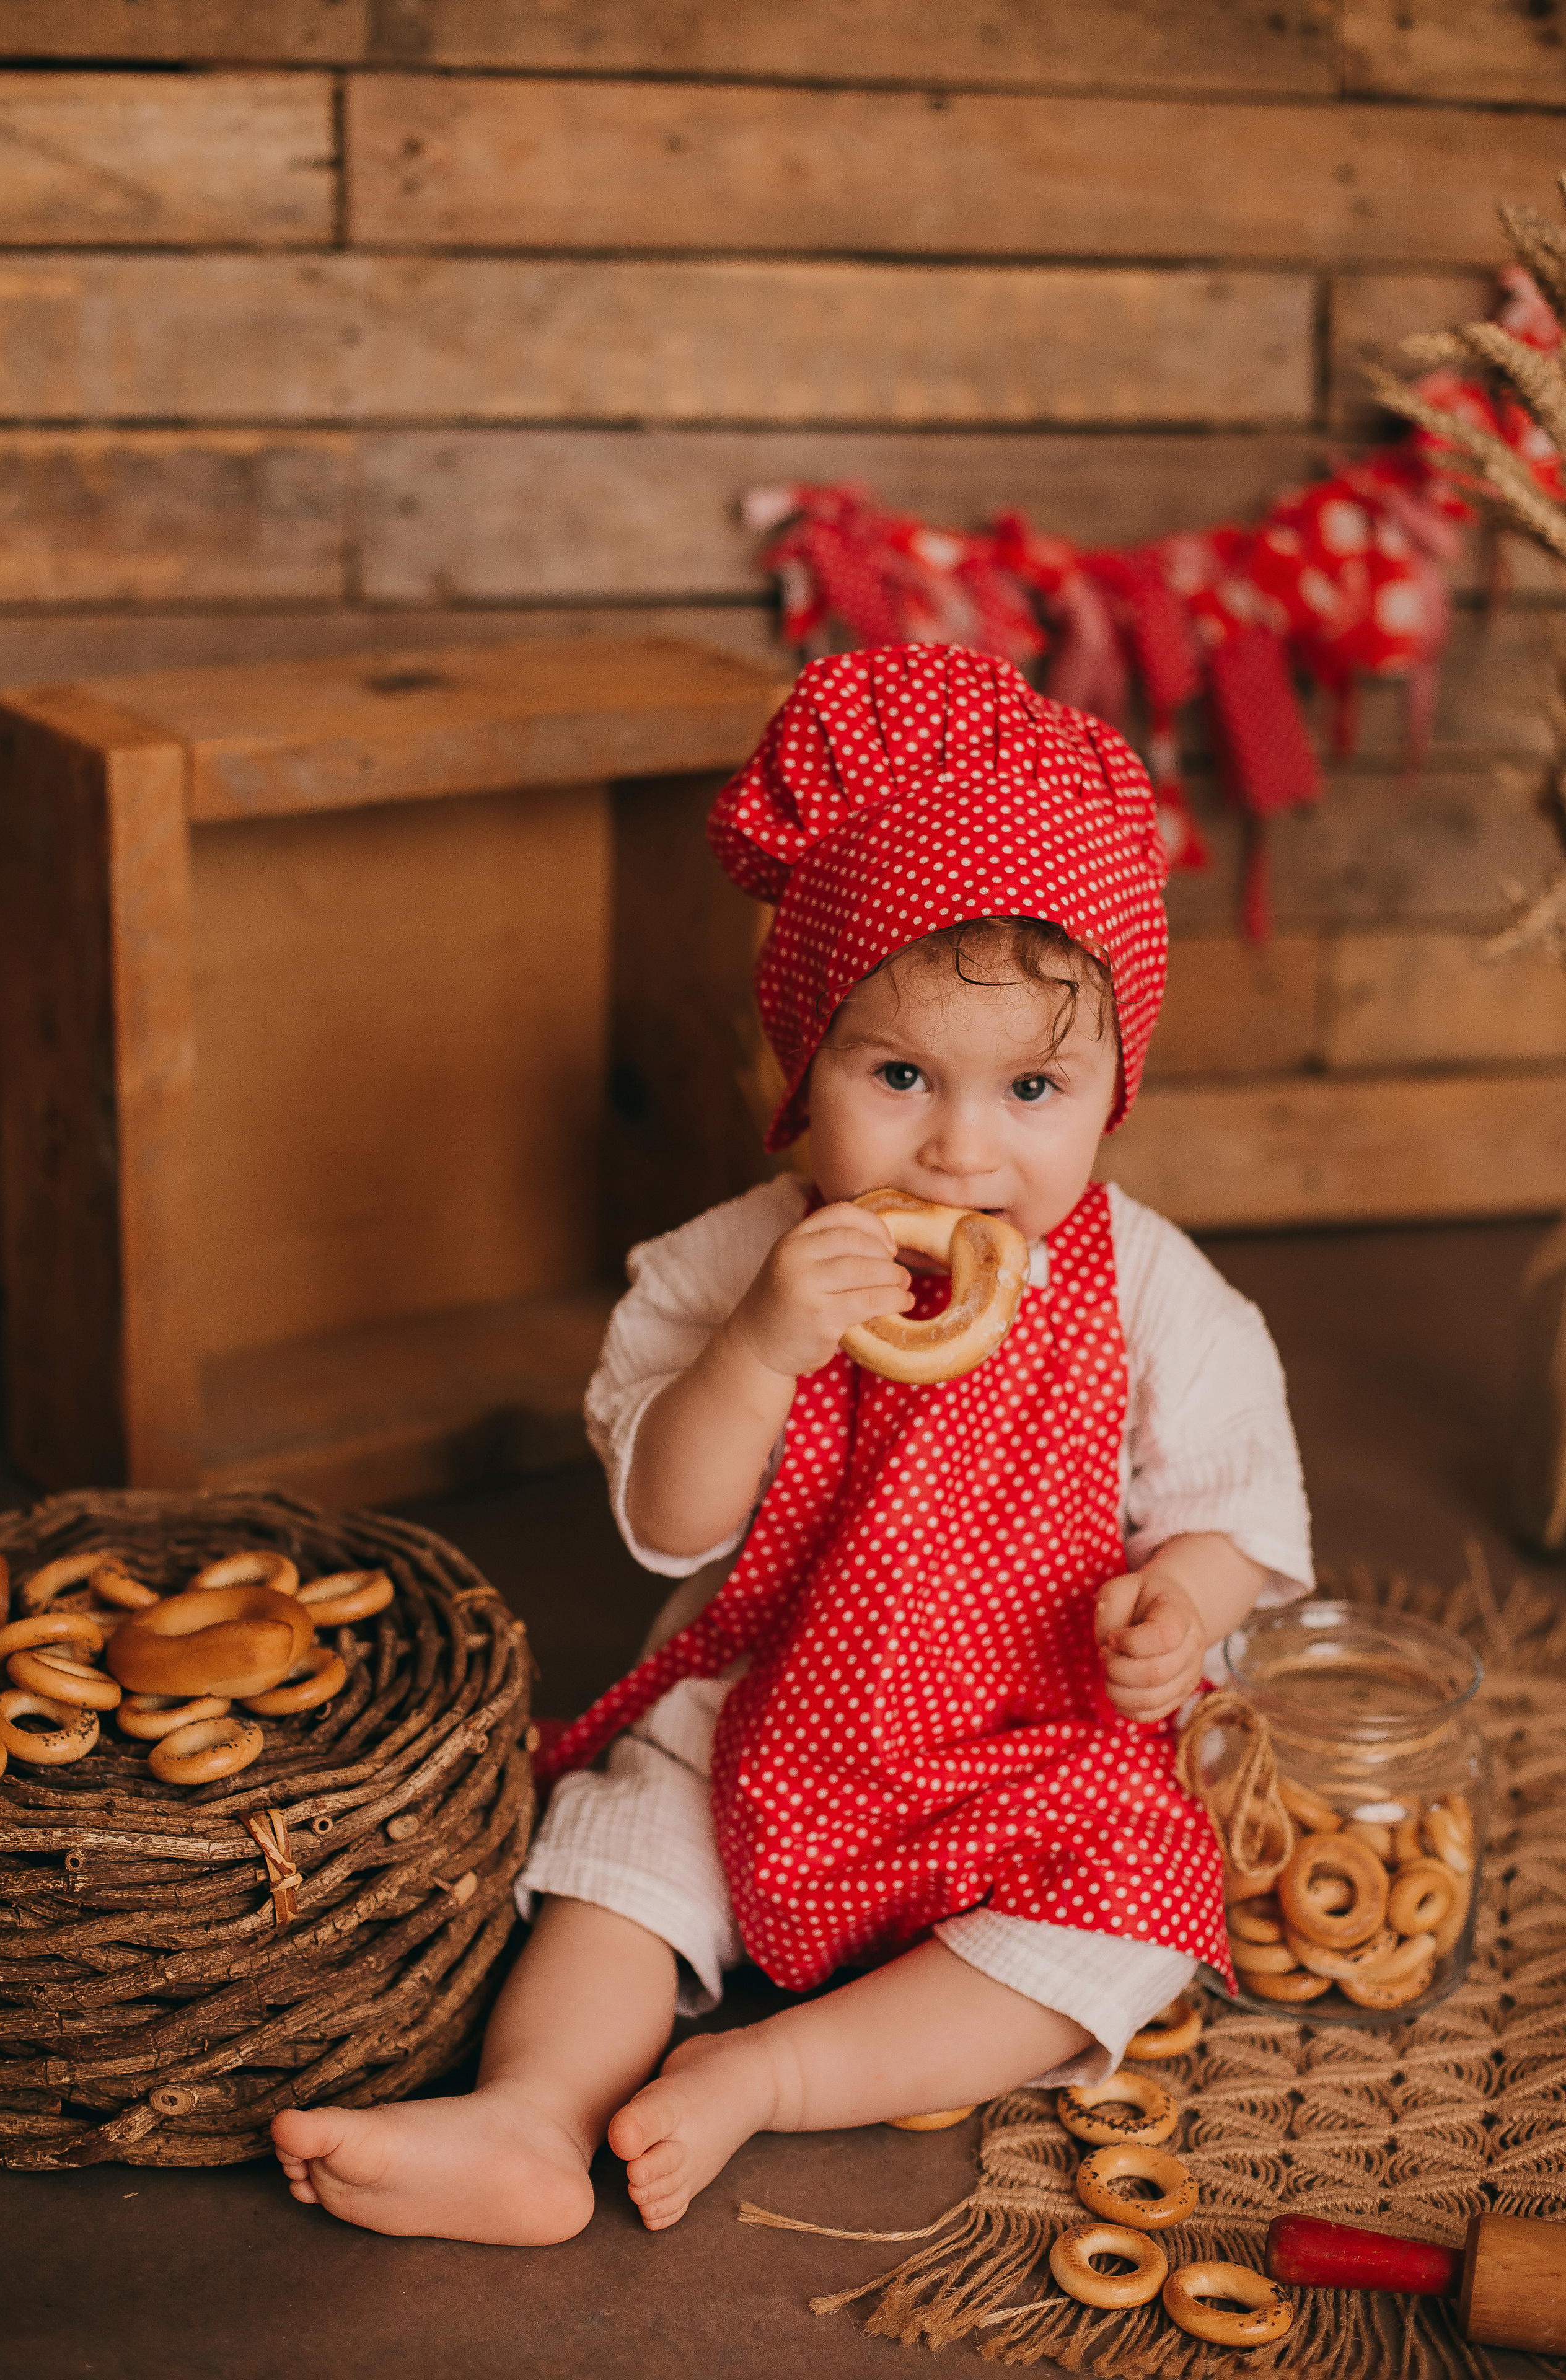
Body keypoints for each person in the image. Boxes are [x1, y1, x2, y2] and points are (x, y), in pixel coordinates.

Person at [271, 644, 1310, 2246]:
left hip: (1034, 1742)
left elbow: (1237, 1502)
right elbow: (672, 1525)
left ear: (1114, 1092)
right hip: (772, 1714)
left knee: (1133, 1917)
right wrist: (758, 1347)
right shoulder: (729, 1268)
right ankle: (532, 2114)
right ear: (800, 1065)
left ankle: (775, 2071)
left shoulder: (1151, 1290)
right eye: (899, 1076)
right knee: (623, 1850)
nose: (960, 1148)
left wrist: (1182, 1603)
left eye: (1033, 1087)